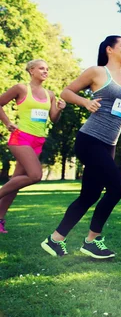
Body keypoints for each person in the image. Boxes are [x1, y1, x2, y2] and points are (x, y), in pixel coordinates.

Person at [41, 36, 121, 259]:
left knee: (89, 196)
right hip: (90, 139)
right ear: (109, 49)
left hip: (108, 145)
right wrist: (85, 102)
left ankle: (55, 240)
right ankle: (92, 240)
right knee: (117, 188)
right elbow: (66, 92)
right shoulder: (98, 72)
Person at [0, 60, 66, 233]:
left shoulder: (50, 94)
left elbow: (53, 118)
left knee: (15, 184)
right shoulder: (21, 89)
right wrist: (7, 123)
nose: (46, 71)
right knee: (35, 175)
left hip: (38, 141)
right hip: (21, 138)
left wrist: (59, 109)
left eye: (47, 68)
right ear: (31, 70)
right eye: (42, 68)